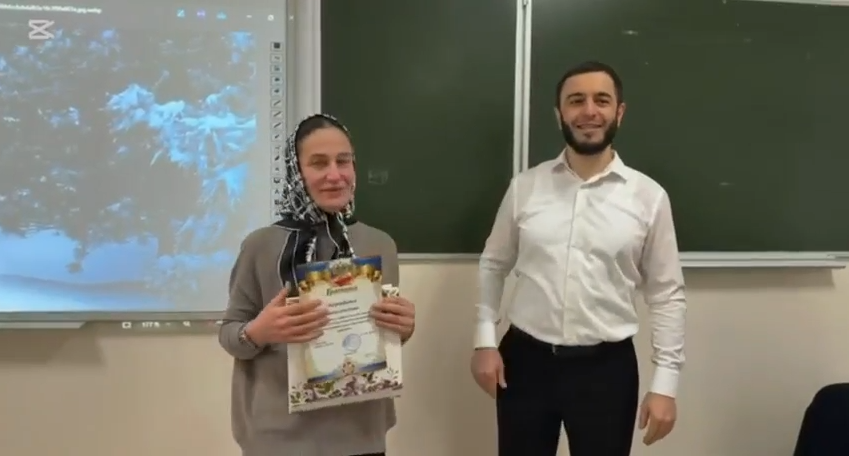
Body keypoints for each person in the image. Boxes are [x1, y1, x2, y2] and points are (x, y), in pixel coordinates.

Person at [470, 60, 687, 456]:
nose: (589, 111)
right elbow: (494, 263)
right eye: (576, 101)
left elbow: (666, 293)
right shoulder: (526, 187)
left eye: (601, 100)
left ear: (619, 112)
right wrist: (484, 341)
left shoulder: (649, 197)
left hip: (606, 372)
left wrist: (665, 384)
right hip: (525, 363)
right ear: (560, 114)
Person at [218, 114, 416, 456]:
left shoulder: (379, 244)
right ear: (296, 172)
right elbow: (230, 334)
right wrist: (259, 331)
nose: (334, 175)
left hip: (360, 434)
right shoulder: (260, 246)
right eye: (319, 163)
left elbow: (381, 336)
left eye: (343, 161)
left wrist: (403, 328)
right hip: (279, 440)